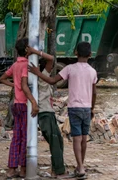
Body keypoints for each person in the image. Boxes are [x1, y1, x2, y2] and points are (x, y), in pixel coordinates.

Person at [29, 42, 97, 178]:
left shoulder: (70, 69)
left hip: (74, 108)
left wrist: (37, 73)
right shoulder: (92, 71)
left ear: (75, 53)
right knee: (84, 138)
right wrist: (92, 108)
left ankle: (81, 167)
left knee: (76, 139)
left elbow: (53, 81)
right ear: (90, 54)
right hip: (86, 108)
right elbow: (95, 93)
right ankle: (80, 166)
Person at [0, 38, 39, 178]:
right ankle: (22, 168)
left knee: (17, 137)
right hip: (24, 104)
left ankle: (12, 168)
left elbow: (2, 78)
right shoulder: (26, 65)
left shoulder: (16, 65)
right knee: (24, 138)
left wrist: (13, 86)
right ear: (28, 49)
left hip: (16, 104)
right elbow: (24, 85)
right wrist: (34, 102)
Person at [26, 46, 67, 177]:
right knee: (56, 141)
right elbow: (51, 59)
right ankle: (58, 170)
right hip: (45, 113)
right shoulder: (42, 76)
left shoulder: (35, 76)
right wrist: (35, 52)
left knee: (57, 141)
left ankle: (57, 168)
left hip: (45, 112)